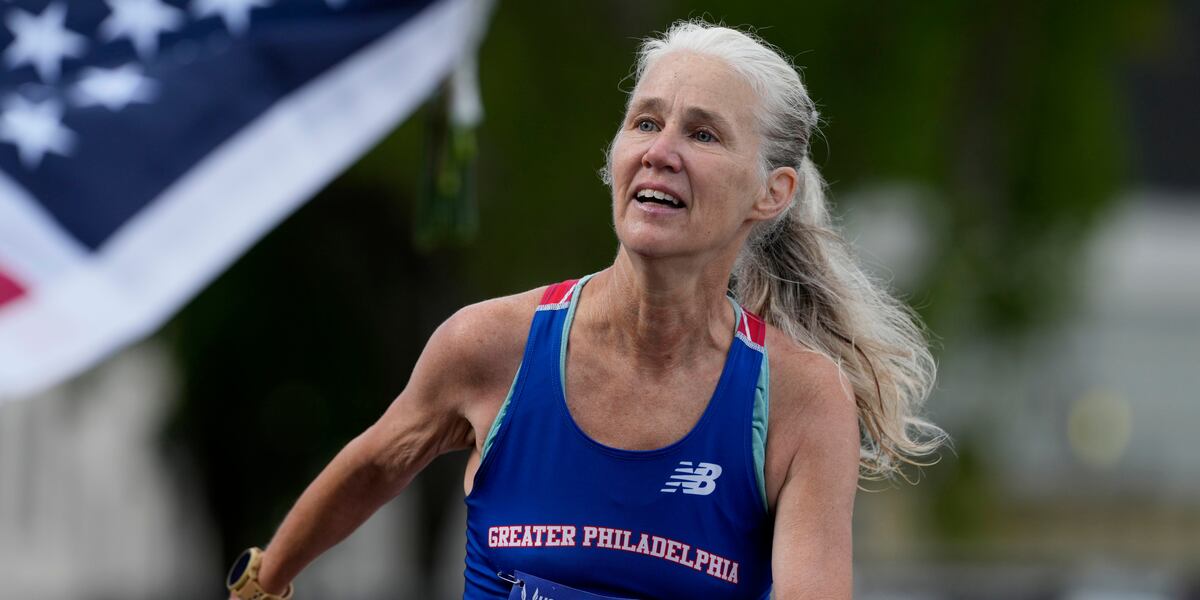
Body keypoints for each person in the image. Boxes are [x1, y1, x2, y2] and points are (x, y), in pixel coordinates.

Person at [224, 20, 946, 600]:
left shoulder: (798, 398)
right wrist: (264, 582)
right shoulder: (492, 344)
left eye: (702, 134)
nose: (661, 151)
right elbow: (376, 464)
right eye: (645, 122)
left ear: (772, 193)